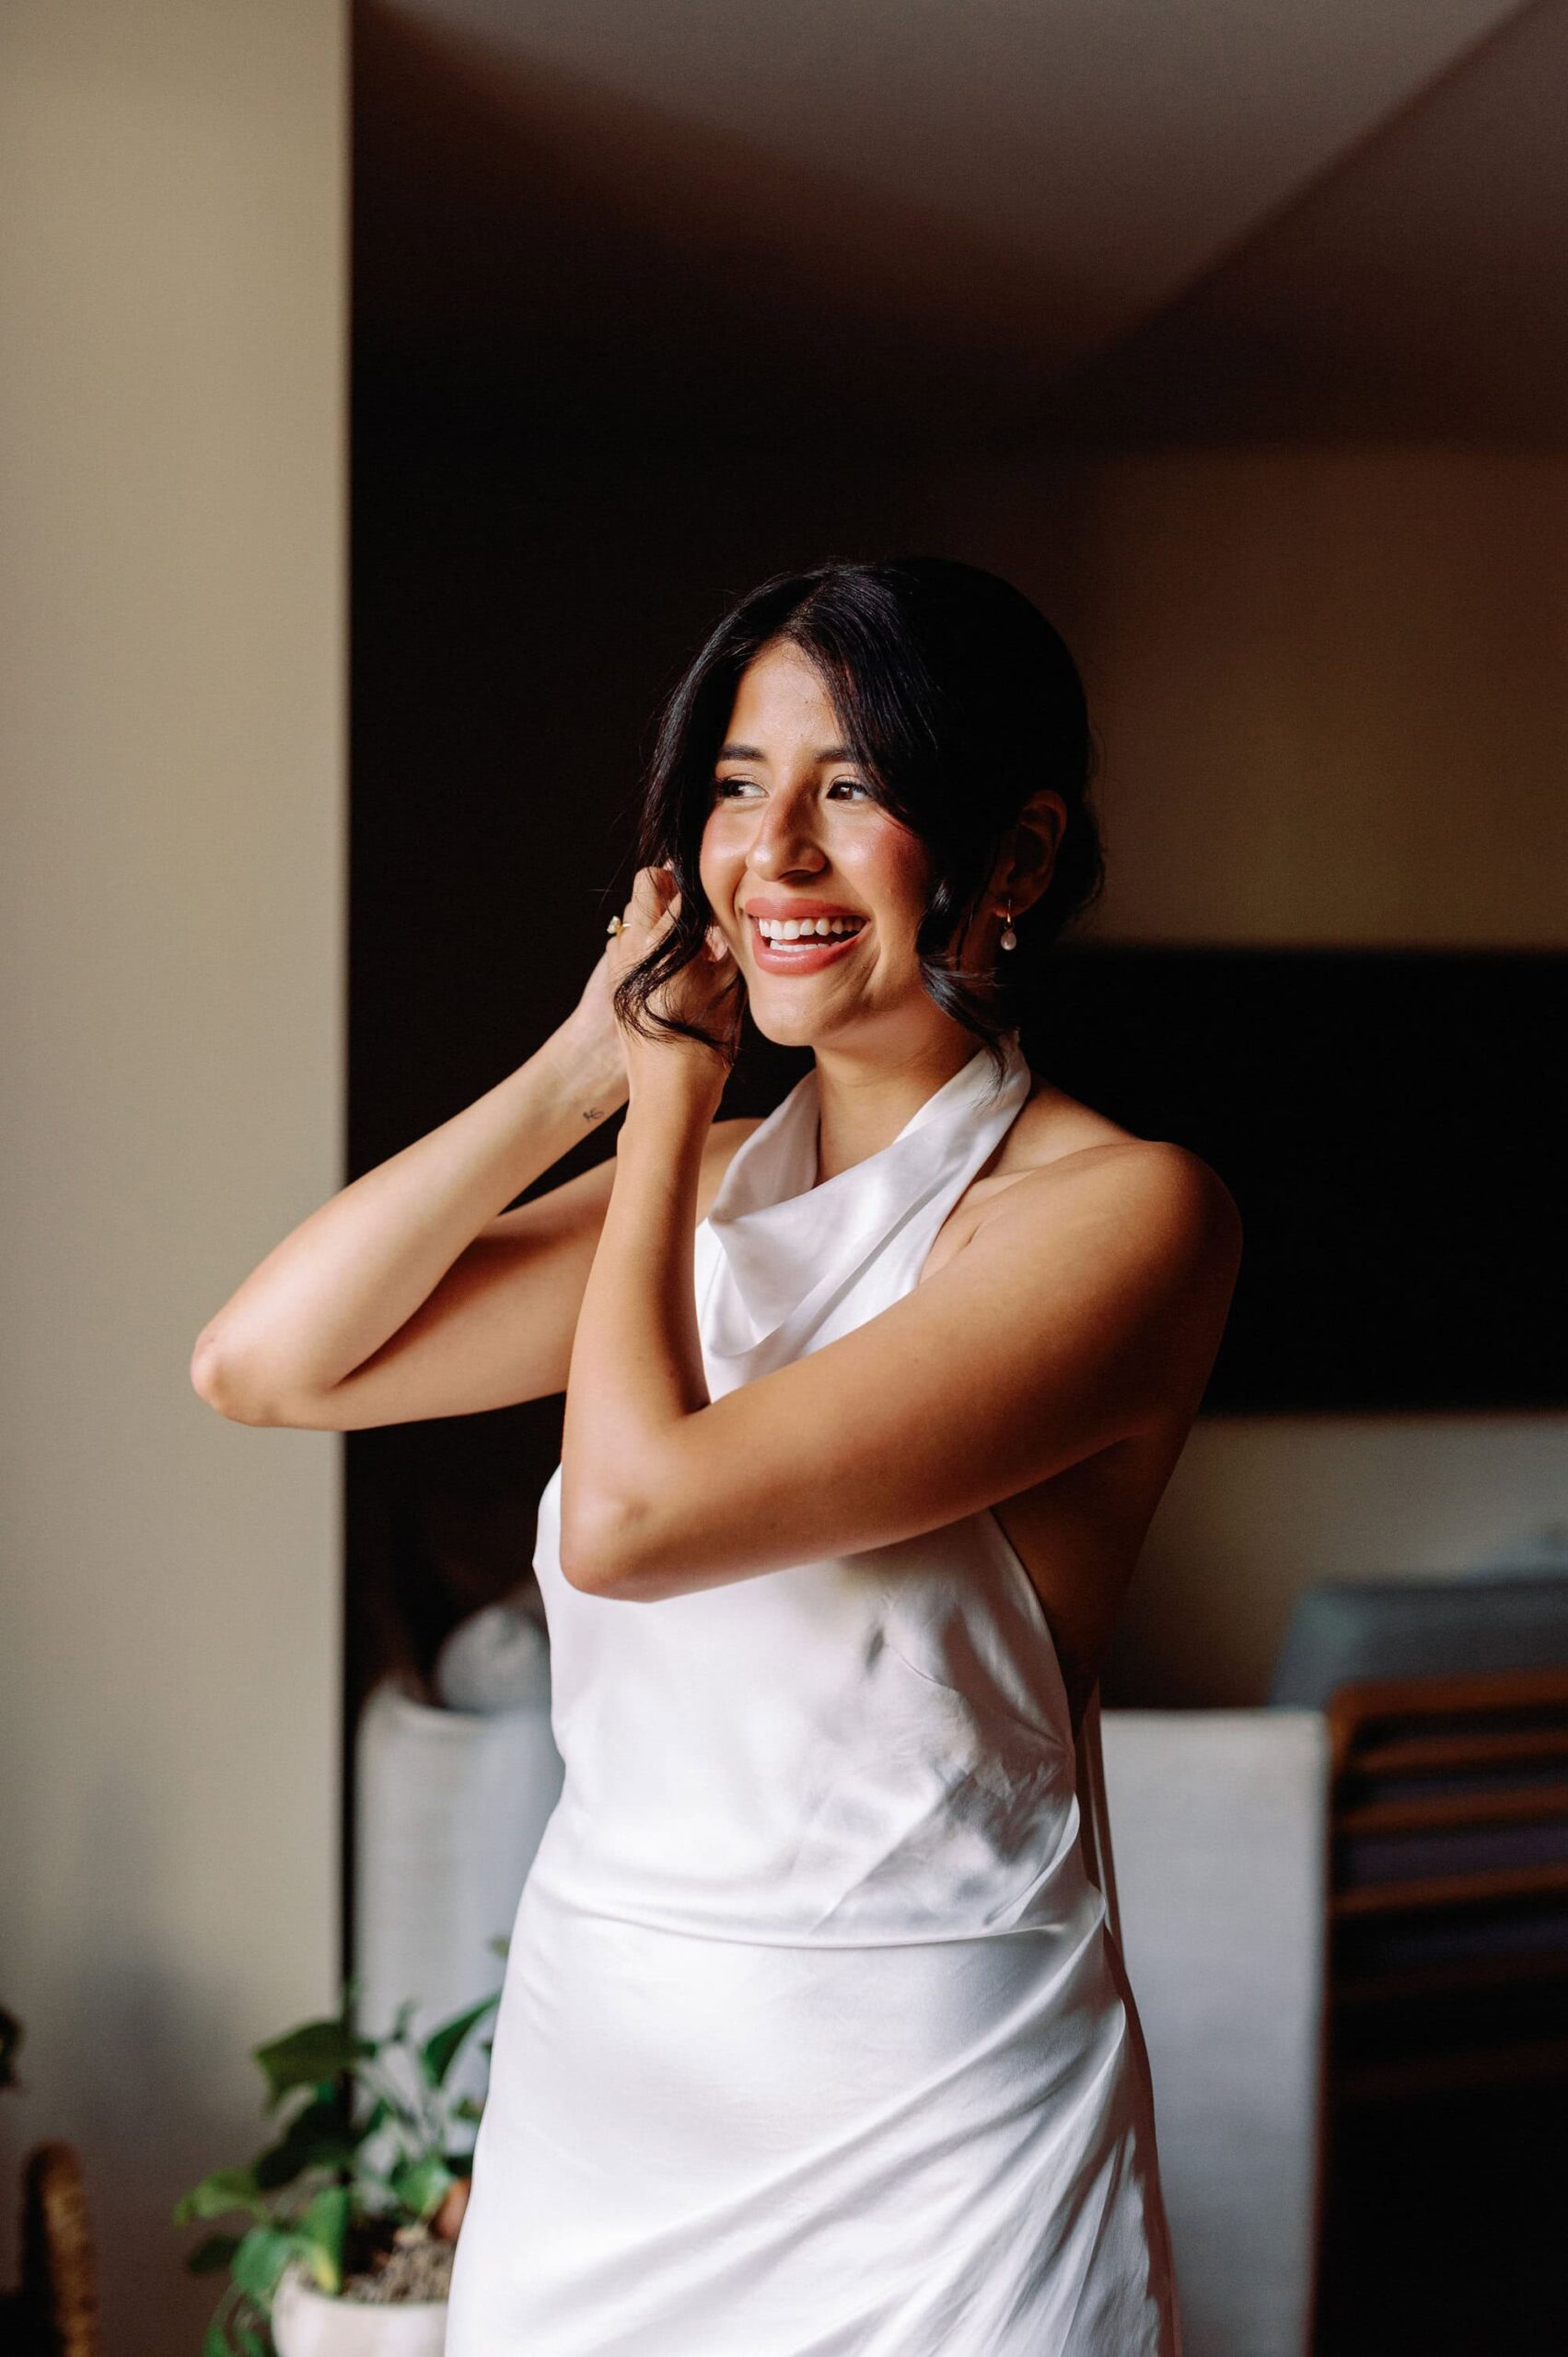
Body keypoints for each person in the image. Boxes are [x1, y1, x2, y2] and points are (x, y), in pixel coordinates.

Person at [192, 556, 1239, 2353]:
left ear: (1017, 850)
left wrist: (673, 1104)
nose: (780, 851)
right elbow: (264, 1361)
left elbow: (634, 1513)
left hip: (934, 2141)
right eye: (741, 788)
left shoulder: (1123, 1214)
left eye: (854, 783)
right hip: (609, 2097)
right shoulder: (699, 1185)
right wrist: (581, 1075)